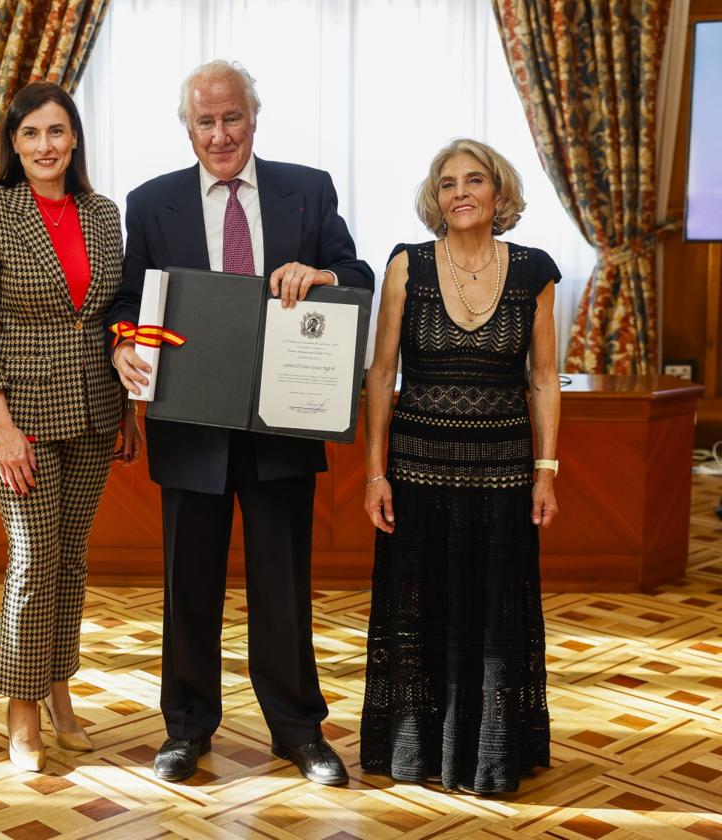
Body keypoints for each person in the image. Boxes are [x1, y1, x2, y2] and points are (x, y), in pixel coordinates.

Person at [109, 60, 373, 786]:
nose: (220, 134)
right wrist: (125, 341)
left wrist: (322, 277)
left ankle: (298, 731)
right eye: (206, 121)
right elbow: (129, 301)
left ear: (253, 119)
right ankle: (187, 730)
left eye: (232, 118)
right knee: (187, 586)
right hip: (190, 426)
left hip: (282, 425)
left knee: (283, 586)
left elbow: (357, 275)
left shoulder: (307, 191)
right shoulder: (151, 201)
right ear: (187, 127)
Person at [361, 138, 559, 794]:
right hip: (417, 472)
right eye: (447, 184)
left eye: (475, 180)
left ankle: (491, 757)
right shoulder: (406, 266)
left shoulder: (535, 271)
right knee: (421, 615)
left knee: (494, 618)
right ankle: (417, 751)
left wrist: (546, 470)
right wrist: (375, 472)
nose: (461, 192)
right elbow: (382, 372)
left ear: (499, 193)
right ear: (435, 198)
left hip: (502, 476)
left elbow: (543, 379)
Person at [0, 81, 138, 773]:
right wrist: (0, 424)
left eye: (56, 131)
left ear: (75, 139)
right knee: (31, 561)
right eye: (31, 133)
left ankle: (60, 689)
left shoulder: (102, 213)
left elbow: (116, 314)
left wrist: (128, 411)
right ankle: (22, 711)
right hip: (18, 418)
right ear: (13, 141)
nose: (44, 146)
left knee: (69, 561)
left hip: (94, 410)